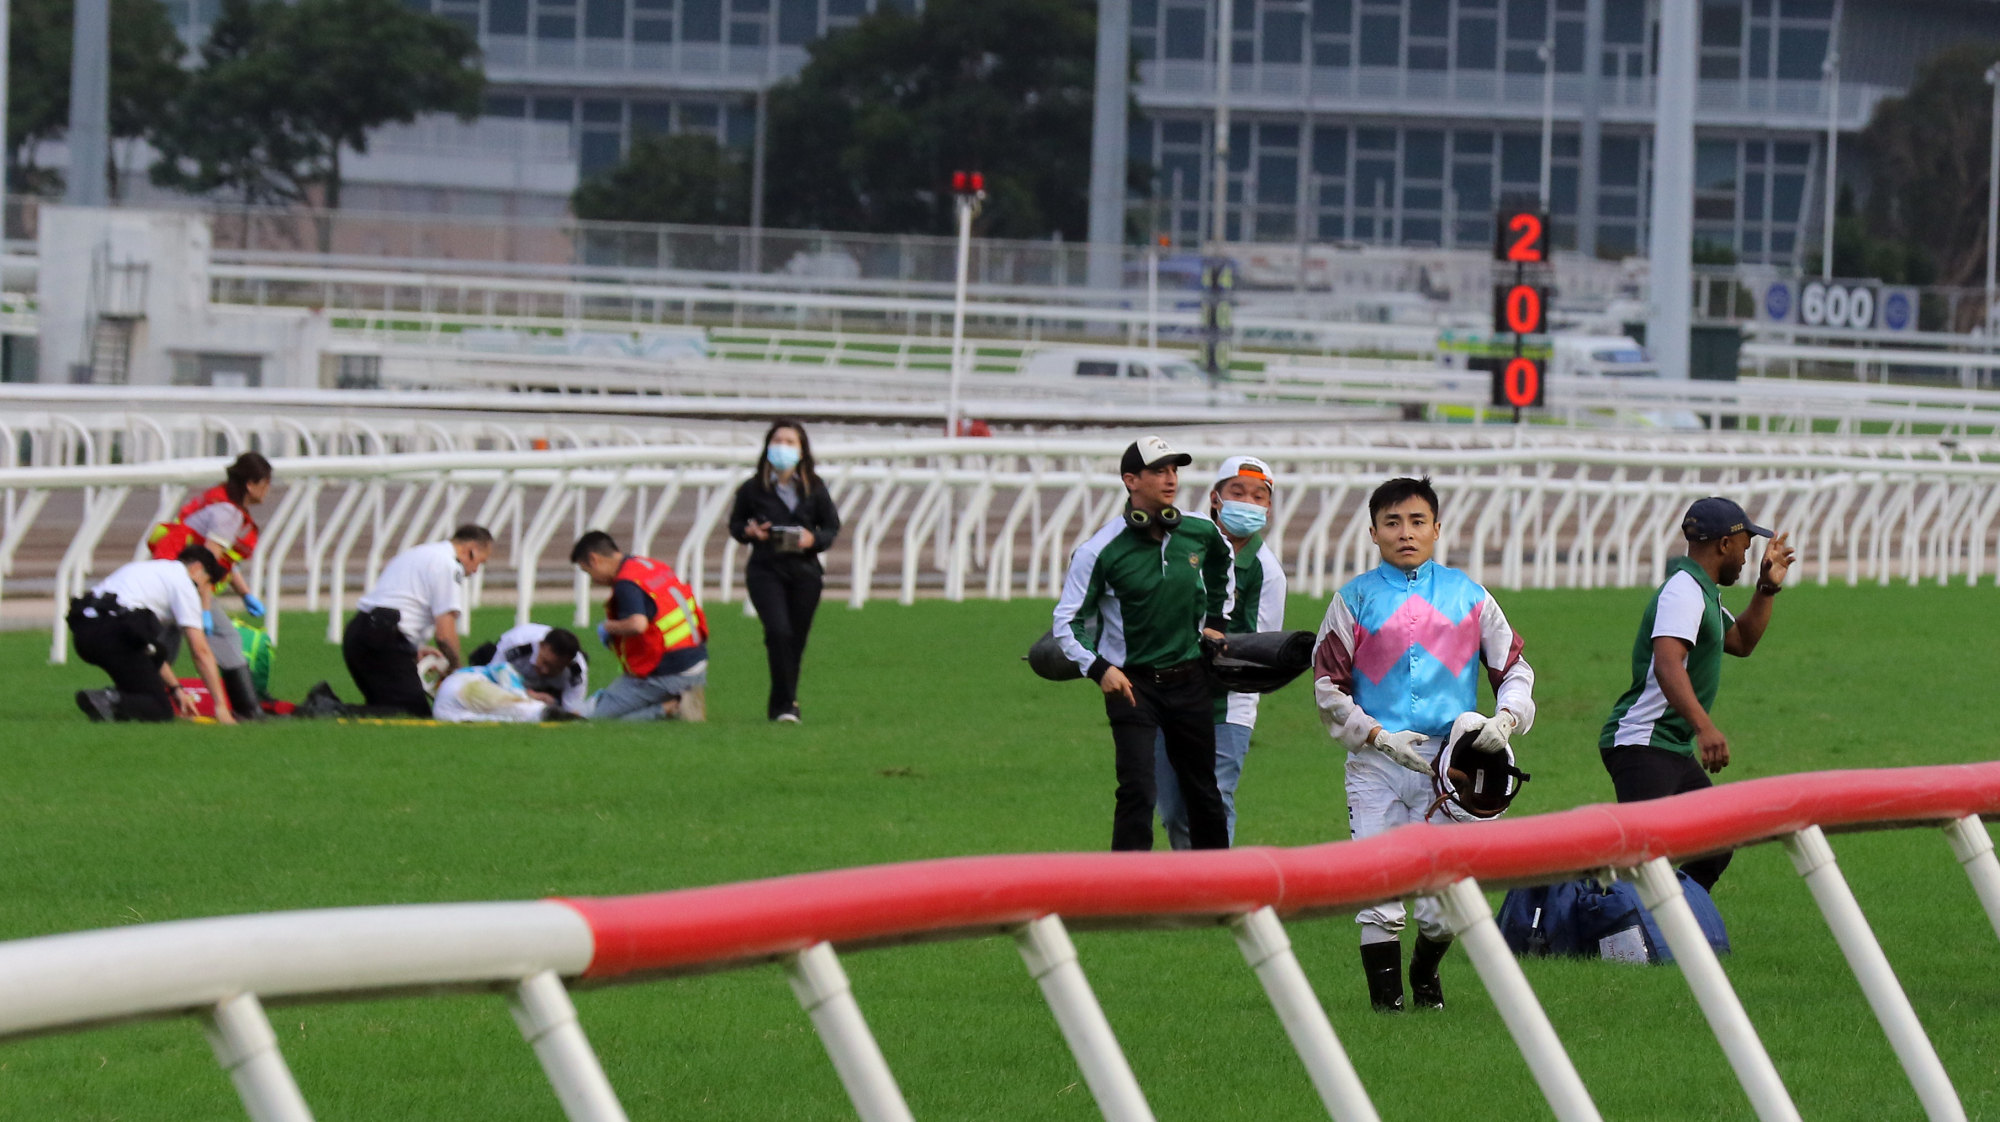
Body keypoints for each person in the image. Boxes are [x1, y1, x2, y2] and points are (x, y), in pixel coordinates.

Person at [1310, 476, 1535, 1013]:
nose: (1405, 533)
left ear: (1437, 529)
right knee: (1378, 886)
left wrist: (1505, 719)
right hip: (1374, 761)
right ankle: (1385, 1006)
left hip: (1451, 766)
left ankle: (1425, 972)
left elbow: (1514, 667)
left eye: (1416, 522)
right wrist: (1379, 737)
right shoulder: (1353, 599)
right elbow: (1326, 687)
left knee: (1443, 904)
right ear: (1372, 532)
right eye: (1392, 523)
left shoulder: (1471, 597)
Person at [1599, 497, 1794, 892]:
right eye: (1744, 544)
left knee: (1717, 843)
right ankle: (1596, 923)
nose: (1747, 553)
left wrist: (1766, 587)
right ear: (1724, 544)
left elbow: (1740, 641)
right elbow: (1668, 665)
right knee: (1645, 859)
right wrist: (1705, 728)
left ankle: (1678, 924)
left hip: (1669, 746)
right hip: (1643, 743)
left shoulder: (1700, 591)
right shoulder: (1683, 593)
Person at [1052, 435, 1234, 852]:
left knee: (1204, 790)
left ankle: (1222, 887)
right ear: (1131, 480)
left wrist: (1216, 622)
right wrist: (1100, 669)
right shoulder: (1098, 551)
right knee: (1136, 790)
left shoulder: (1200, 532)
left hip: (1190, 679)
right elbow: (1066, 622)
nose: (1170, 479)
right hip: (1131, 685)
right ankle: (1125, 892)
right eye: (1159, 471)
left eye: (1174, 470)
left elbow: (1224, 562)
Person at [1153, 455, 1287, 848]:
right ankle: (1193, 889)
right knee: (1176, 812)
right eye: (1237, 492)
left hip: (1229, 706)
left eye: (1258, 496)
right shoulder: (1178, 542)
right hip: (1167, 695)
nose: (1247, 502)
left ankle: (1216, 899)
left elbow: (1262, 651)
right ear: (1215, 497)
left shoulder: (1268, 572)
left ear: (1268, 508)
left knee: (1214, 798)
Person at [728, 419, 841, 723]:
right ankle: (786, 707)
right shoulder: (752, 489)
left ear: (802, 450)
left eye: (790, 442)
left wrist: (813, 539)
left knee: (795, 640)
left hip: (805, 572)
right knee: (778, 632)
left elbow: (831, 526)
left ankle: (783, 702)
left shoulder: (815, 489)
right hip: (766, 570)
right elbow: (736, 525)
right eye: (778, 441)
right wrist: (751, 531)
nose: (783, 448)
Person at [146, 451, 273, 718]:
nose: (268, 490)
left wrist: (245, 593)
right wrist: (204, 611)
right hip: (184, 582)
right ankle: (247, 708)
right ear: (251, 485)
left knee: (163, 645)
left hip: (170, 577)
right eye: (265, 483)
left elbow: (220, 560)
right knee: (226, 636)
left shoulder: (222, 505)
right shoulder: (228, 515)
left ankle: (138, 700)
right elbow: (204, 566)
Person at [70, 547, 236, 725]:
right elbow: (200, 651)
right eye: (207, 581)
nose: (205, 590)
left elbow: (147, 649)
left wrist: (176, 689)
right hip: (113, 634)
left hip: (83, 633)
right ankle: (108, 698)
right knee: (160, 709)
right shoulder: (184, 583)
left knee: (139, 695)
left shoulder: (145, 570)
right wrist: (221, 706)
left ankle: (109, 703)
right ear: (196, 568)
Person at [341, 525, 493, 717]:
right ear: (470, 550)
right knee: (411, 714)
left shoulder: (420, 553)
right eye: (480, 562)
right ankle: (320, 709)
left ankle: (320, 711)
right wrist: (458, 671)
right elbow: (445, 635)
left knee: (385, 711)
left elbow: (396, 601)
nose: (475, 571)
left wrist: (412, 648)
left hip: (361, 632)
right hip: (383, 638)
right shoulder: (448, 565)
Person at [571, 531, 709, 721]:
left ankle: (672, 708)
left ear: (594, 560)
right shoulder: (651, 566)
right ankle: (676, 700)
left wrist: (608, 627)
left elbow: (637, 624)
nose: (593, 580)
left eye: (588, 572)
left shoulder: (627, 583)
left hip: (665, 673)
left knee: (597, 718)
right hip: (696, 662)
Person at [433, 642, 583, 724]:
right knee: (523, 709)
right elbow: (505, 674)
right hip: (462, 687)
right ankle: (553, 714)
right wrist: (531, 697)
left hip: (447, 710)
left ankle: (552, 715)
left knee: (510, 719)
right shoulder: (503, 670)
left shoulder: (486, 675)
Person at [470, 622, 589, 716]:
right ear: (541, 645)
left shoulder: (577, 670)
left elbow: (572, 710)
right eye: (545, 662)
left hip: (548, 691)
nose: (545, 671)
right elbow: (491, 679)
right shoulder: (516, 644)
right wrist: (528, 695)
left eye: (555, 668)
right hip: (509, 678)